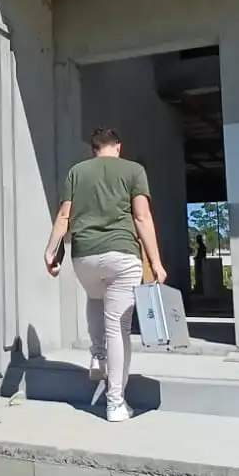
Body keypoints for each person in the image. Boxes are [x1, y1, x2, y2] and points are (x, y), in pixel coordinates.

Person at [44, 127, 166, 422]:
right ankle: (115, 402)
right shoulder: (134, 170)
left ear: (93, 149)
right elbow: (141, 217)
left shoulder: (77, 171)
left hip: (84, 256)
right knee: (118, 328)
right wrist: (157, 261)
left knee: (95, 296)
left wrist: (50, 250)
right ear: (118, 147)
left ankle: (97, 353)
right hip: (122, 255)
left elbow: (64, 215)